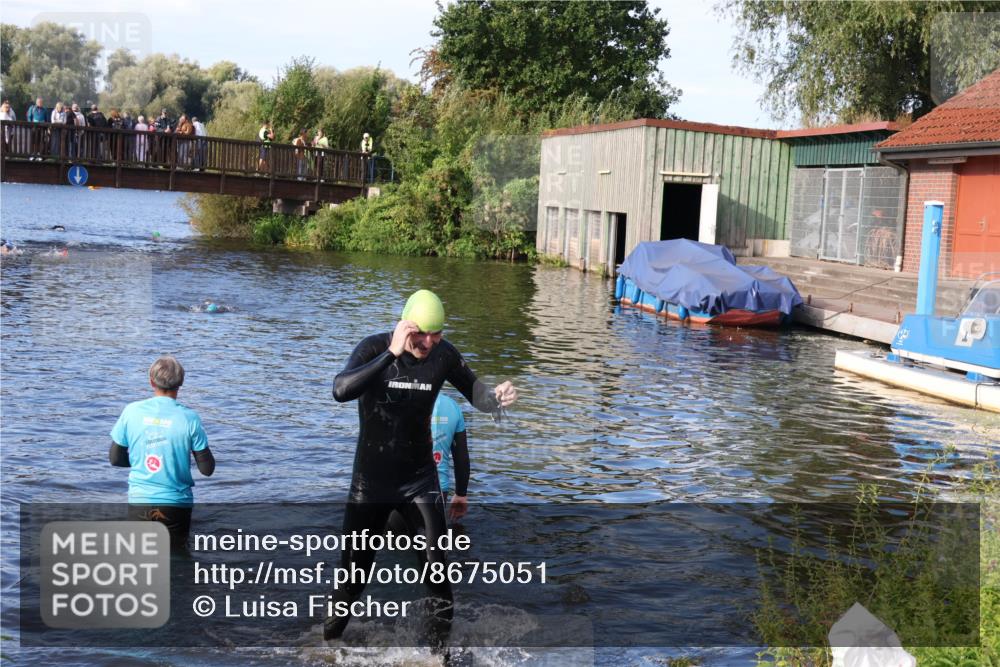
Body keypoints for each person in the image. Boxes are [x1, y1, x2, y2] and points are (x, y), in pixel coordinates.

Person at [326, 289, 518, 646]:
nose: (429, 342)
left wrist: (497, 399)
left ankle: (435, 654)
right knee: (353, 579)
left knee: (437, 572)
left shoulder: (444, 355)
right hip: (370, 485)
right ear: (404, 326)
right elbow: (340, 389)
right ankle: (327, 645)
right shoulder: (373, 348)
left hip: (419, 481)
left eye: (437, 333)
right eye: (421, 333)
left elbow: (477, 394)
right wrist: (390, 354)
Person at [109, 356, 216, 549]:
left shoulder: (131, 411)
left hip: (139, 501)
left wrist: (141, 461)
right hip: (175, 504)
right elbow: (207, 469)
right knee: (176, 560)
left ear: (151, 381)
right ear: (180, 383)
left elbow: (115, 459)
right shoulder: (190, 418)